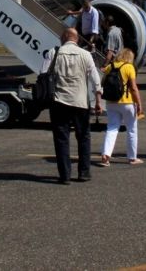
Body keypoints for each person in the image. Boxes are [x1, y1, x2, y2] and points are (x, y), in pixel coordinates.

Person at [48, 28, 102, 184]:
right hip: (80, 102)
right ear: (76, 39)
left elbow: (43, 72)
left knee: (61, 139)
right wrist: (98, 101)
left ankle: (65, 176)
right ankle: (83, 172)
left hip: (59, 101)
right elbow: (95, 79)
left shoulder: (54, 53)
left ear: (64, 37)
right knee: (84, 137)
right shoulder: (86, 54)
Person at [99, 48, 143, 166]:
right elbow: (133, 88)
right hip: (127, 102)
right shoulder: (129, 67)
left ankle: (105, 155)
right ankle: (132, 157)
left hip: (111, 102)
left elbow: (103, 82)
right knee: (131, 130)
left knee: (112, 128)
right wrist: (139, 103)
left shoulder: (110, 66)